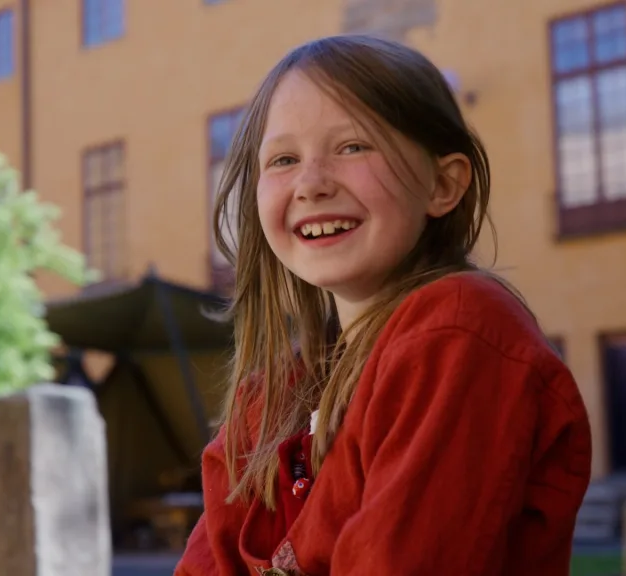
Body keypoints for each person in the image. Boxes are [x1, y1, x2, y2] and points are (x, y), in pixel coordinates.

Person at [174, 34, 592, 576]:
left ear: (444, 184)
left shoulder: (458, 331)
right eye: (283, 159)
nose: (311, 184)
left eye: (352, 147)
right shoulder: (275, 397)